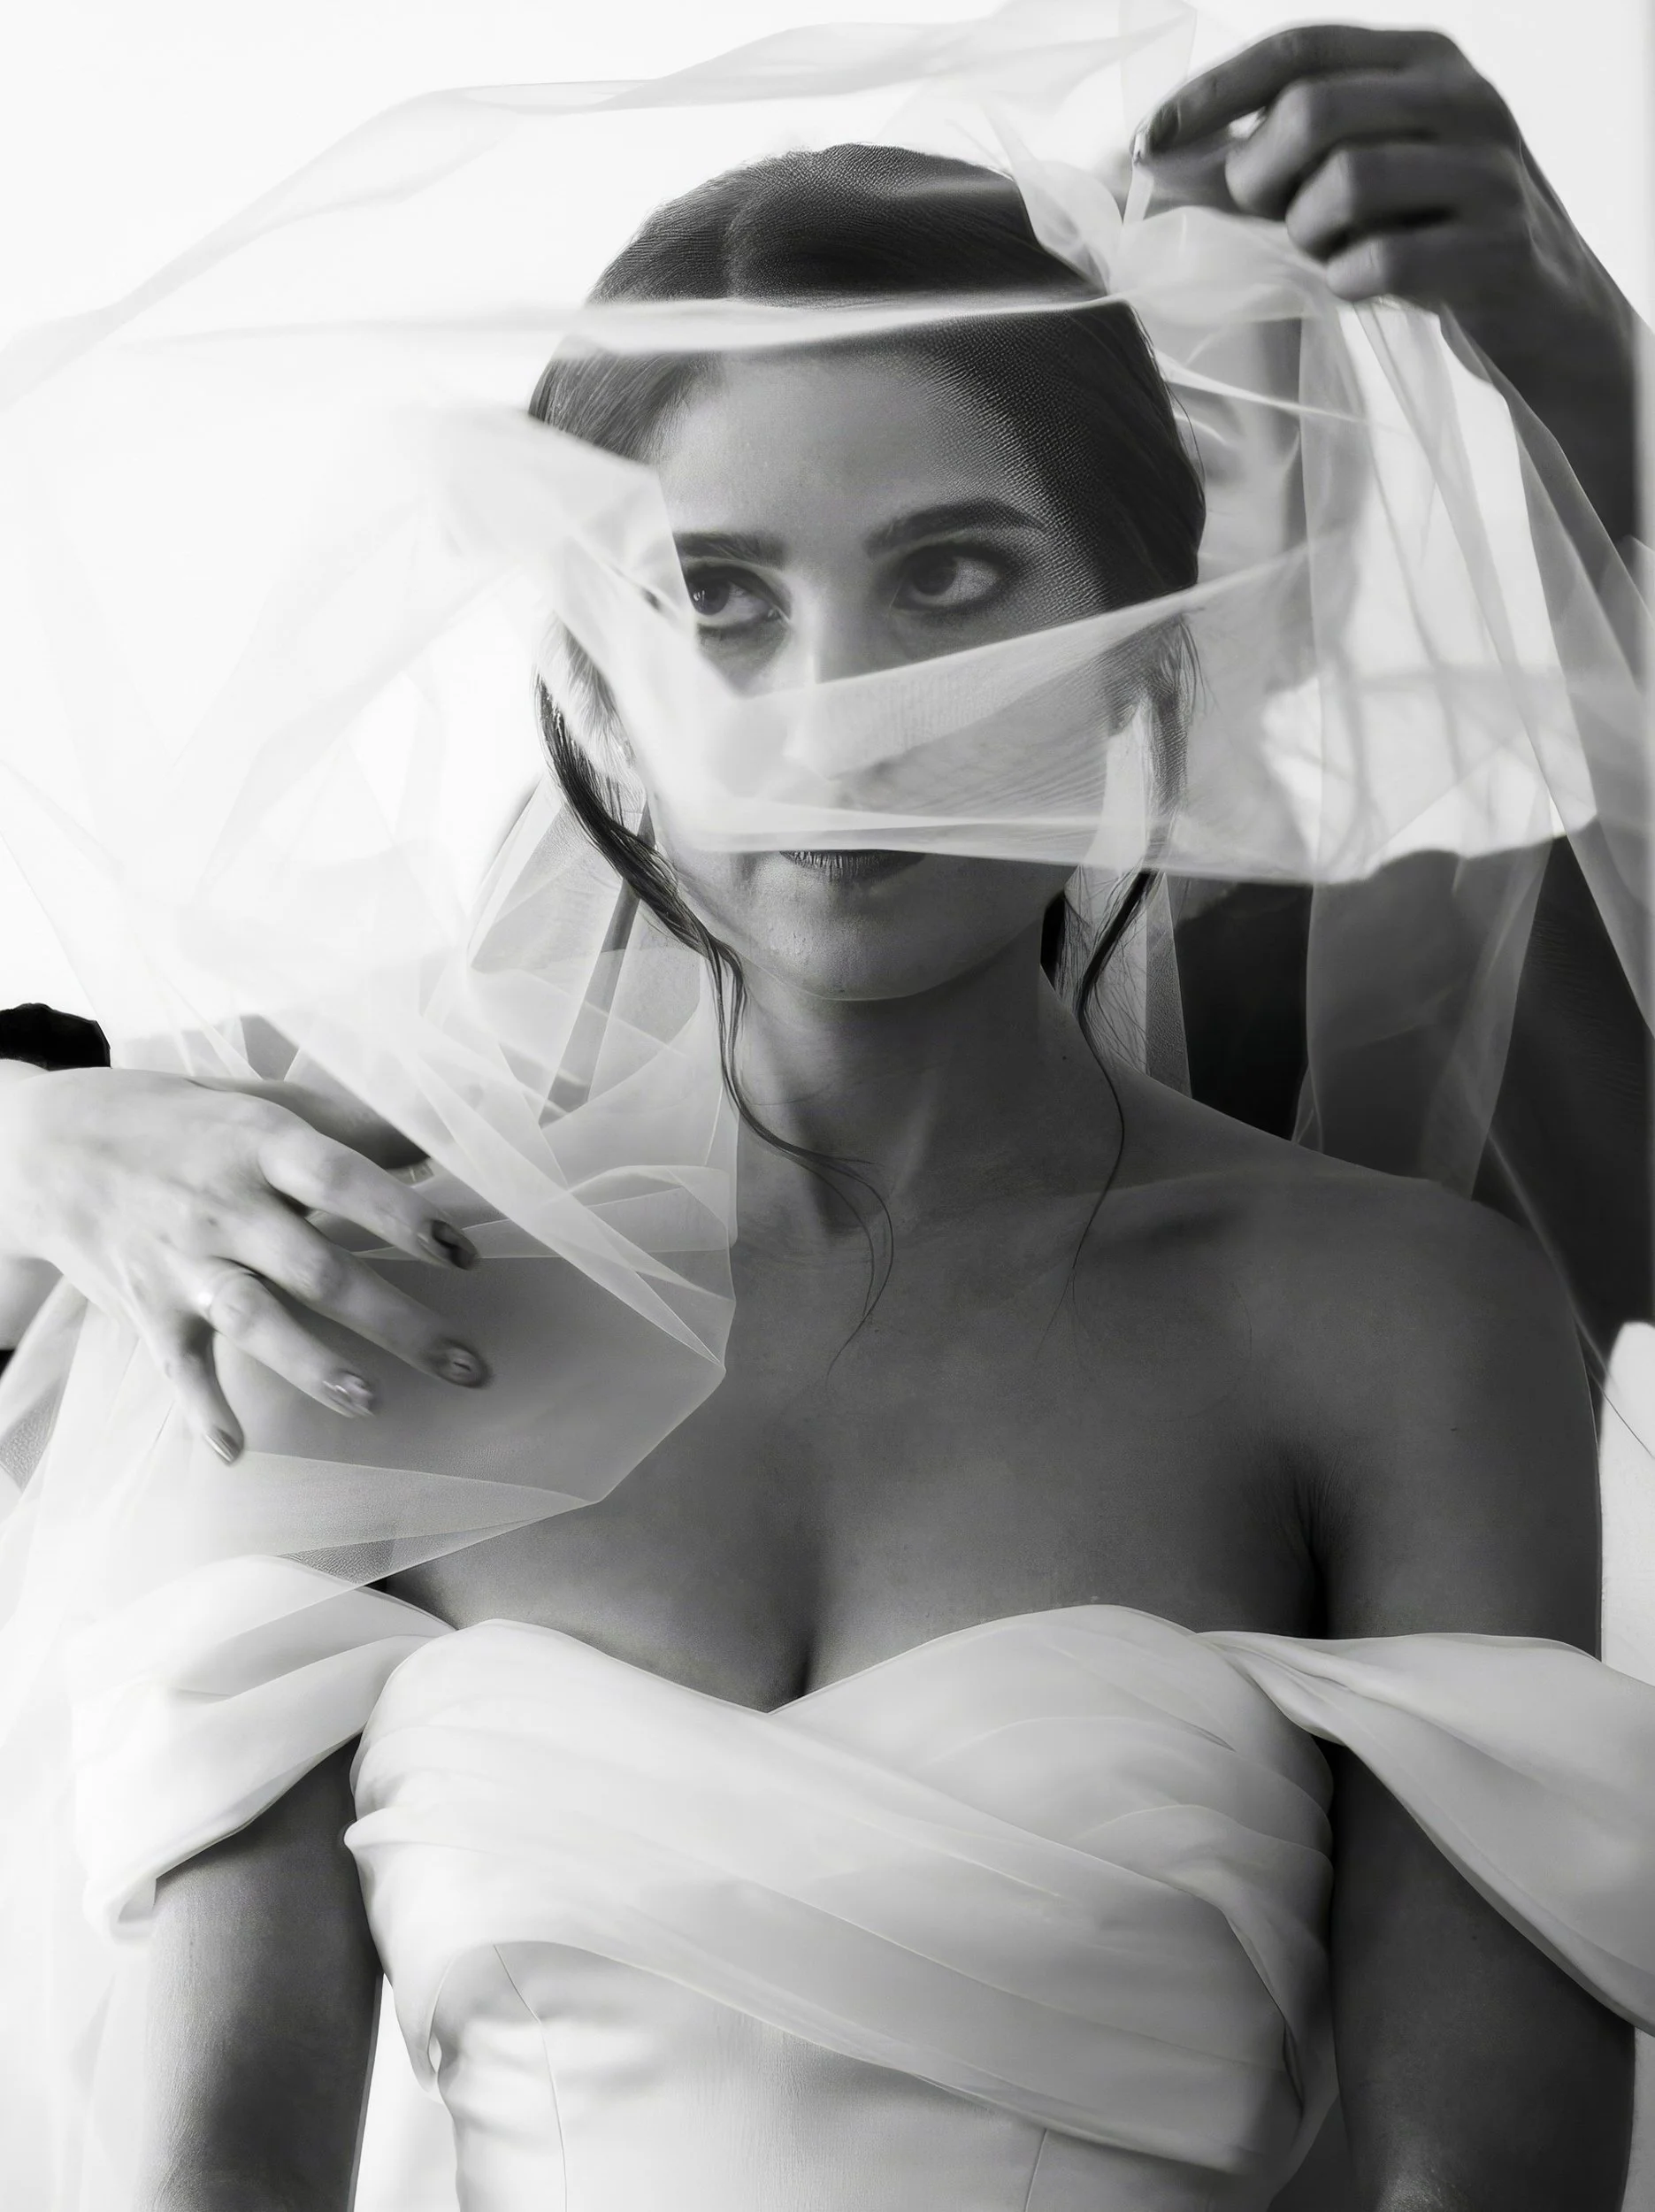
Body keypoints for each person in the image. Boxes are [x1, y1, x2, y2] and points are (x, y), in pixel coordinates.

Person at [0, 19, 1651, 2212]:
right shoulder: (344, 1268)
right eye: (713, 598)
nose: (843, 721)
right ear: (589, 668)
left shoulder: (1380, 1282)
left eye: (954, 579)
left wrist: (1589, 374)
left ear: (1153, 642)